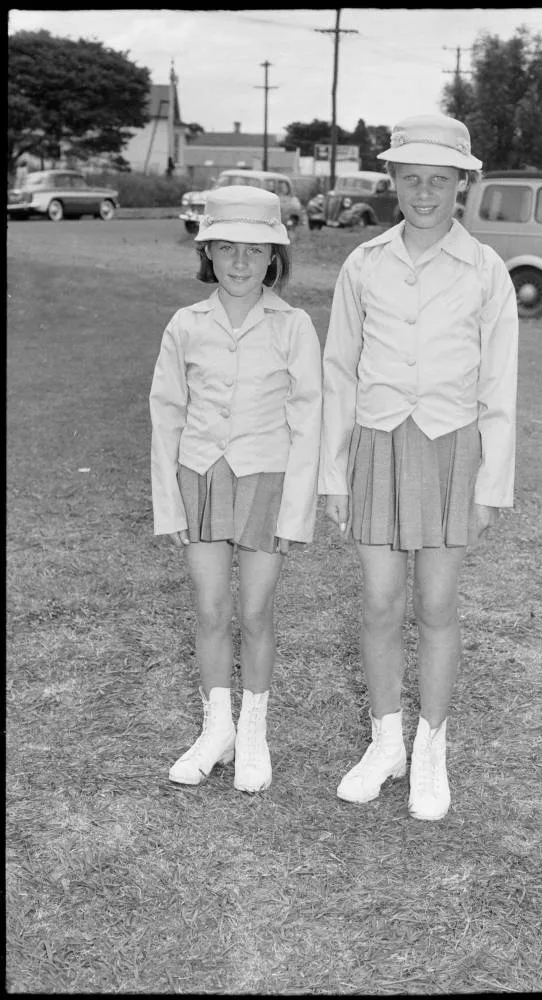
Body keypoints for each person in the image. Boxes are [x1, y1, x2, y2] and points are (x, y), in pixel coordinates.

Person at [319, 113, 519, 822]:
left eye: (440, 180)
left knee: (434, 606)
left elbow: (498, 384)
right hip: (376, 442)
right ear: (393, 183)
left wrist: (489, 487)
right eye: (412, 179)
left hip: (449, 448)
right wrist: (332, 473)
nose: (425, 192)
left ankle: (430, 748)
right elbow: (338, 371)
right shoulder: (364, 262)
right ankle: (385, 744)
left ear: (461, 185)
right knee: (378, 603)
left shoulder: (485, 270)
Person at [150, 185, 322, 793]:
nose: (241, 263)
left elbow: (309, 420)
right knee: (211, 610)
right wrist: (168, 501)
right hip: (200, 477)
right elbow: (166, 413)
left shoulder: (293, 325)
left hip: (266, 480)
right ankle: (216, 726)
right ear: (209, 254)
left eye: (255, 250)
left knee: (254, 612)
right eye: (228, 249)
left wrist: (297, 512)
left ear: (274, 257)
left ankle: (253, 732)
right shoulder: (186, 325)